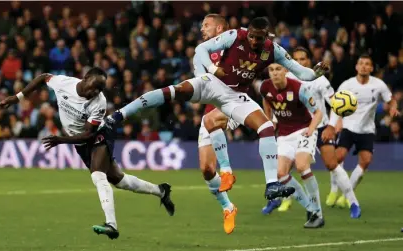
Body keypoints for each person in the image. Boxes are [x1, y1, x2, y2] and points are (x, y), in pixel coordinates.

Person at [106, 17, 328, 214]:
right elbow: (200, 51)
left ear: (265, 38)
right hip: (212, 84)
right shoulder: (234, 35)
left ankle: (271, 185)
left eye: (258, 39)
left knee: (266, 127)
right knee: (172, 92)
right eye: (251, 36)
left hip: (235, 97)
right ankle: (120, 114)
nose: (252, 41)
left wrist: (316, 72)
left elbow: (302, 73)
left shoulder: (274, 50)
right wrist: (212, 70)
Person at [0, 68, 175, 240]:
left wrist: (61, 140)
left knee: (98, 176)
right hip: (80, 141)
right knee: (118, 180)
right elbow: (43, 77)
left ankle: (111, 225)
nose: (95, 91)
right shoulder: (63, 83)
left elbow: (90, 133)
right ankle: (160, 191)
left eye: (100, 89)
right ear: (86, 77)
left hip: (98, 135)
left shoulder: (99, 102)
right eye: (94, 86)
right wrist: (17, 97)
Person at [272, 47, 361, 219]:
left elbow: (336, 104)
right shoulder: (285, 79)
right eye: (296, 59)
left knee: (331, 164)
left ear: (309, 61)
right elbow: (279, 105)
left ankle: (353, 202)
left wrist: (332, 126)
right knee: (283, 169)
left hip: (320, 127)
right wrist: (275, 124)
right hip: (295, 129)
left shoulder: (319, 80)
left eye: (303, 59)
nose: (300, 62)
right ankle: (285, 200)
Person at [326, 55, 400, 207]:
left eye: (367, 64)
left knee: (365, 161)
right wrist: (334, 124)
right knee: (337, 158)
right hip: (348, 127)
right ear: (356, 67)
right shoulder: (347, 85)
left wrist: (393, 107)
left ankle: (347, 195)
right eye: (361, 63)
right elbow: (335, 106)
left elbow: (390, 99)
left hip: (367, 130)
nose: (364, 66)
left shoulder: (379, 85)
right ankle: (334, 191)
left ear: (371, 68)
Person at [258, 63, 324, 227]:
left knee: (302, 166)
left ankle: (318, 212)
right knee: (281, 174)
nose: (274, 73)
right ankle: (310, 208)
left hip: (303, 131)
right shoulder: (265, 87)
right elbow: (266, 101)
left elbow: (318, 113)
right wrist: (269, 121)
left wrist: (310, 129)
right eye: (271, 70)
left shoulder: (298, 88)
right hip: (284, 135)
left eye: (278, 69)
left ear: (286, 70)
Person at [194, 13, 238, 234]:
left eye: (206, 25)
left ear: (220, 28)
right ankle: (228, 208)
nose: (202, 29)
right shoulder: (204, 52)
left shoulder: (233, 44)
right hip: (210, 109)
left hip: (234, 102)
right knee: (206, 169)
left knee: (212, 120)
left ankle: (228, 170)